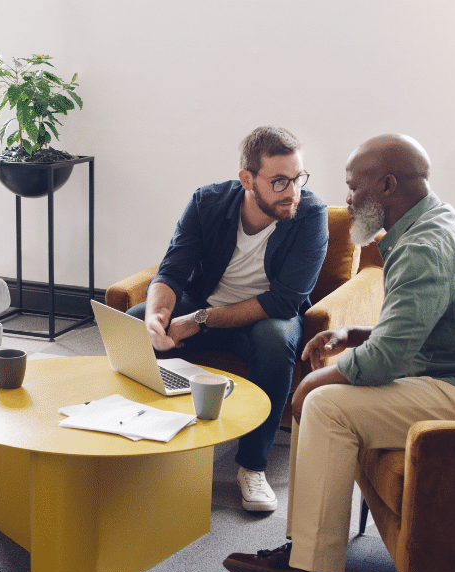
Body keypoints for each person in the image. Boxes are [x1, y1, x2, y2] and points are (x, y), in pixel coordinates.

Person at [225, 134, 455, 572]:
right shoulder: (432, 223)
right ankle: (302, 556)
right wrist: (355, 333)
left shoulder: (424, 244)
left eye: (355, 188)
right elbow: (422, 325)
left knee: (325, 404)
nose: (349, 199)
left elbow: (387, 360)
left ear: (388, 186)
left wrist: (320, 380)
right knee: (325, 397)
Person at [129, 126, 328, 512]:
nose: (292, 191)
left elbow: (285, 301)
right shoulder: (207, 202)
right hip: (205, 303)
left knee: (276, 339)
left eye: (298, 177)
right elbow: (171, 271)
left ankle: (252, 466)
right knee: (135, 323)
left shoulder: (309, 214)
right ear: (247, 180)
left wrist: (199, 320)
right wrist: (158, 314)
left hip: (263, 317)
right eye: (280, 181)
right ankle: (145, 440)